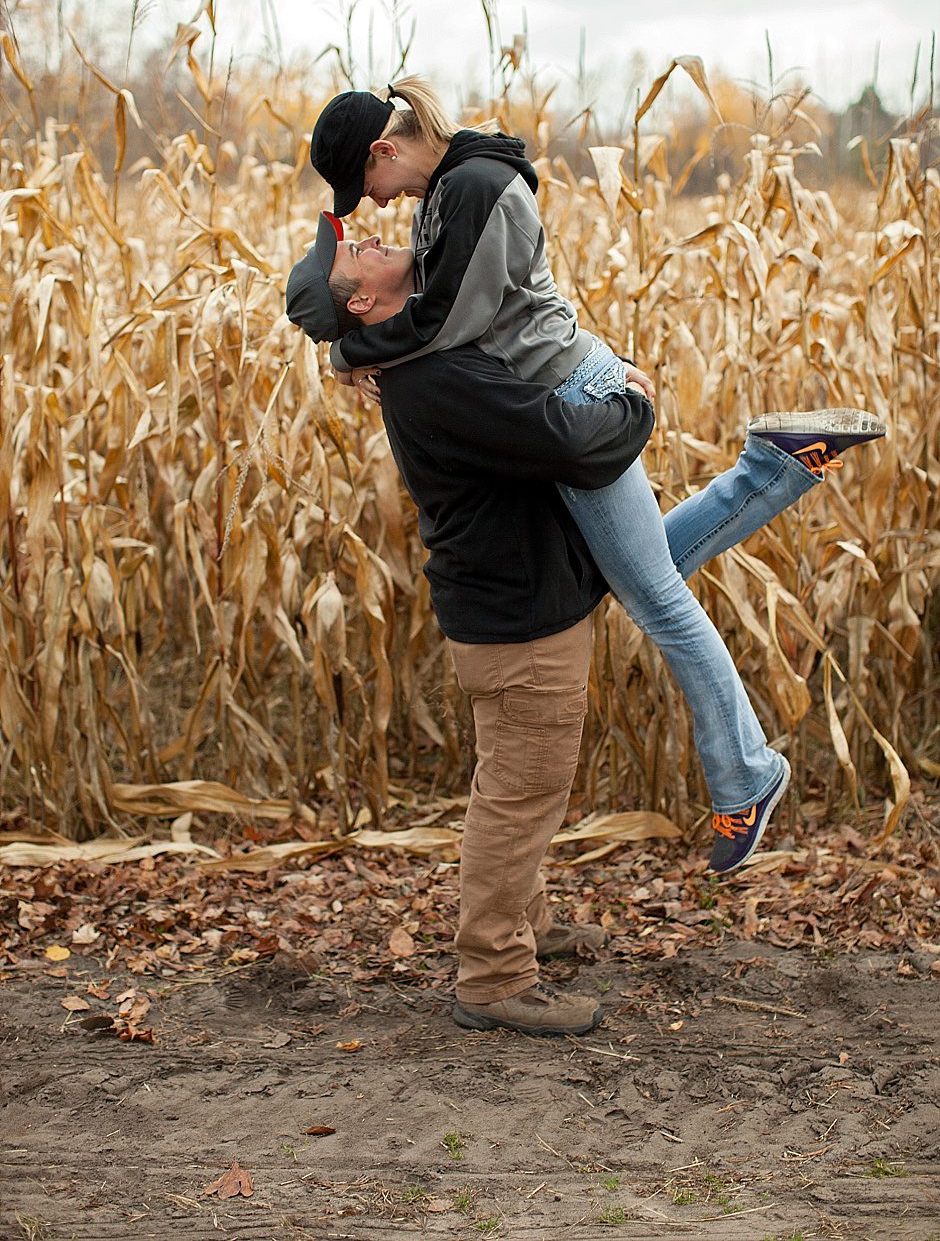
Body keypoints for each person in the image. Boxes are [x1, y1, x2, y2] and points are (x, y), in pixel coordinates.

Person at [296, 80, 887, 874]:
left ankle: (749, 772)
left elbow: (448, 323)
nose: (368, 207)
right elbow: (484, 309)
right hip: (573, 379)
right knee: (644, 568)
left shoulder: (469, 187)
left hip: (571, 397)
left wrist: (347, 352)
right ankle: (776, 467)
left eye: (363, 186)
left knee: (656, 598)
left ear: (385, 150)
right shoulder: (448, 188)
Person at [288, 213, 657, 1036]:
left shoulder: (415, 359)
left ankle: (531, 928)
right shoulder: (436, 378)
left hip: (499, 611)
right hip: (521, 623)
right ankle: (493, 975)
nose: (379, 240)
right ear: (360, 304)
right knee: (521, 797)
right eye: (361, 253)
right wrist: (635, 407)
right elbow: (567, 443)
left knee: (512, 787)